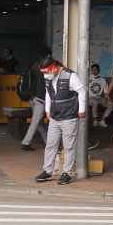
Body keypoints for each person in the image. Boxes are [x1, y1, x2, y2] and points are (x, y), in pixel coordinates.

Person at [34, 55, 87, 185]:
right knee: (50, 145)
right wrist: (47, 110)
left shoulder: (70, 76)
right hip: (55, 117)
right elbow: (48, 93)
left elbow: (82, 92)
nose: (46, 75)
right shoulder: (49, 78)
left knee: (69, 147)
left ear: (54, 68)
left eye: (47, 71)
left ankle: (67, 173)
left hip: (69, 116)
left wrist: (81, 110)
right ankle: (47, 171)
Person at [20, 45, 53, 152]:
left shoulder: (34, 65)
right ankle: (26, 142)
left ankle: (48, 141)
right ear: (49, 55)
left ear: (39, 55)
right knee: (36, 121)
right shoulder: (49, 67)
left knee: (39, 122)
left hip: (32, 98)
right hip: (41, 98)